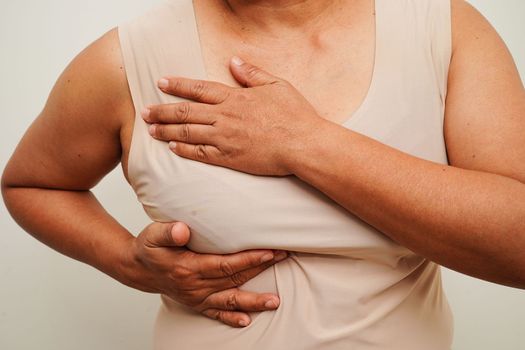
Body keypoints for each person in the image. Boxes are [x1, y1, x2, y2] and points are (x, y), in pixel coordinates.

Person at [2, 0, 524, 349]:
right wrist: (126, 262)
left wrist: (304, 143)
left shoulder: (440, 25)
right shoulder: (126, 59)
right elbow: (31, 183)